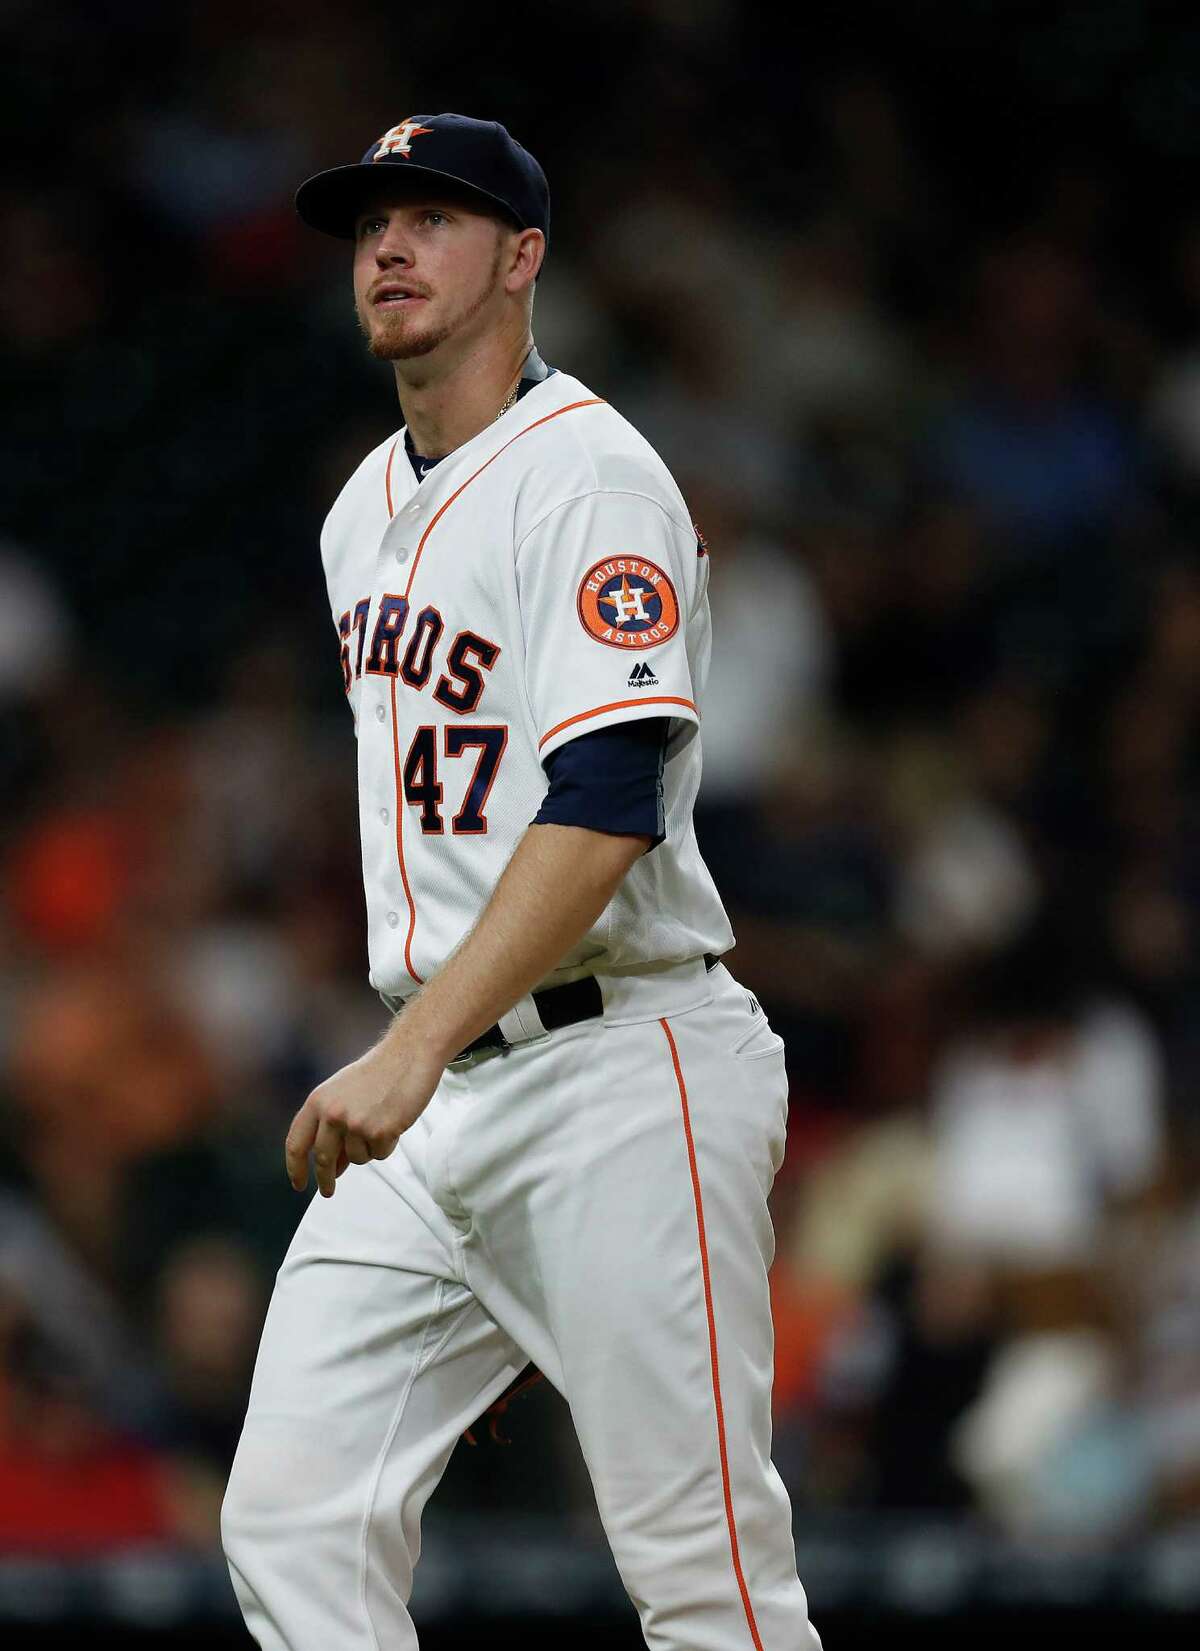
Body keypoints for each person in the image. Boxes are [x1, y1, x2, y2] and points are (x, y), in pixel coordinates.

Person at [221, 112, 821, 1651]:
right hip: (442, 1092)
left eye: (434, 217)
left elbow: (609, 800)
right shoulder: (364, 503)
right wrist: (420, 1044)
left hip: (624, 1065)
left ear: (523, 260)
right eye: (370, 226)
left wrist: (412, 1048)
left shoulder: (593, 478)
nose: (391, 248)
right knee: (292, 1519)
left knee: (705, 1580)